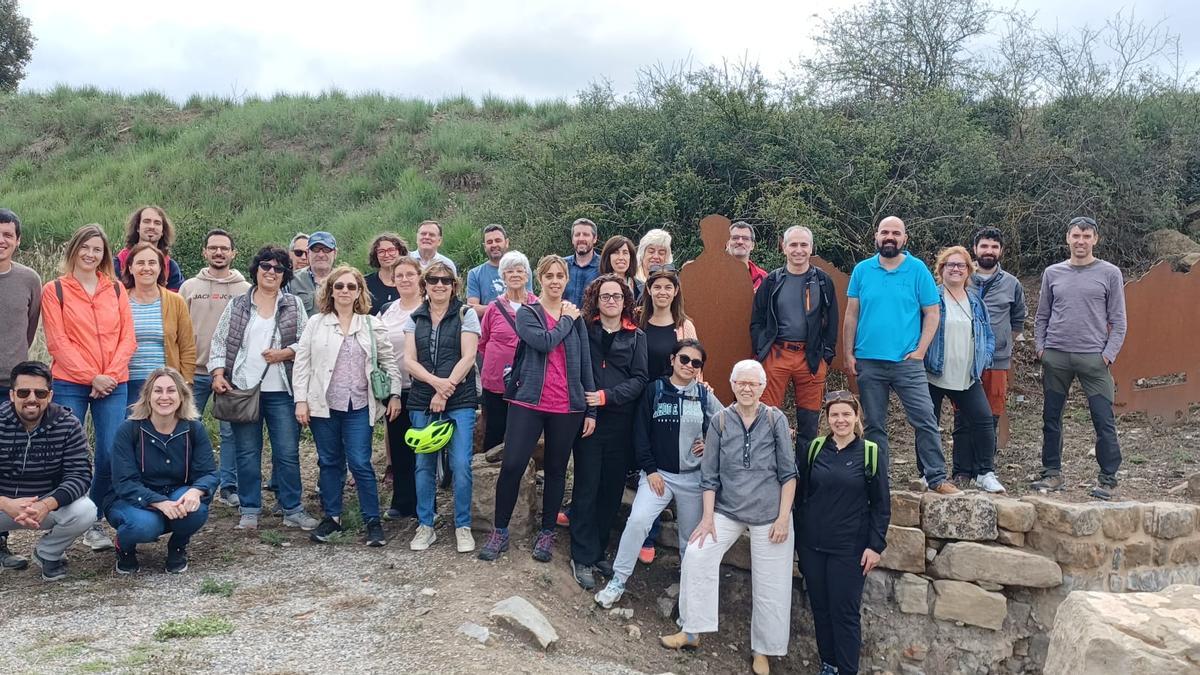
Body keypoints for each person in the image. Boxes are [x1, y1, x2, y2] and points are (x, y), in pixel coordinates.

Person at [663, 360, 796, 675]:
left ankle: (763, 650)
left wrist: (783, 518)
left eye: (753, 384)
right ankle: (692, 630)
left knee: (772, 582)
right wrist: (707, 518)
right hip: (728, 511)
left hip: (769, 514)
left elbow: (789, 474)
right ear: (733, 385)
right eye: (741, 383)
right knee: (697, 554)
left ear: (762, 388)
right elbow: (709, 477)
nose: (747, 388)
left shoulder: (775, 419)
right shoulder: (720, 421)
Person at [478, 255, 596, 563]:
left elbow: (584, 363)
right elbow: (543, 342)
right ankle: (500, 531)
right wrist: (567, 320)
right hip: (528, 401)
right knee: (513, 465)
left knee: (557, 470)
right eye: (549, 276)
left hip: (567, 405)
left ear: (567, 280)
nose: (555, 281)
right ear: (539, 280)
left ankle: (547, 532)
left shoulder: (576, 317)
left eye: (560, 276)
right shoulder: (527, 313)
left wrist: (590, 409)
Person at [594, 339, 721, 608]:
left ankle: (690, 594)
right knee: (638, 521)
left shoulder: (703, 395)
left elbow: (727, 424)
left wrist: (710, 442)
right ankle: (618, 579)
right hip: (658, 474)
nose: (689, 366)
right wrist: (650, 470)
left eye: (696, 363)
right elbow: (640, 433)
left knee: (691, 538)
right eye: (684, 359)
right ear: (672, 359)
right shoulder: (655, 390)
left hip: (693, 478)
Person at [844, 217, 961, 495]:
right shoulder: (862, 271)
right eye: (885, 232)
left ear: (904, 239)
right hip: (868, 361)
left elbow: (932, 313)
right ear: (876, 236)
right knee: (874, 425)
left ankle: (937, 478)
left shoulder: (917, 269)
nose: (890, 237)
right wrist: (847, 353)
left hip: (907, 363)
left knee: (925, 420)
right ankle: (877, 480)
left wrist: (920, 350)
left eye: (896, 233)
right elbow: (851, 314)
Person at [208, 245, 319, 531]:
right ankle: (250, 509)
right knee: (246, 453)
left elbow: (307, 343)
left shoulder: (293, 304)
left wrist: (285, 353)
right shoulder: (238, 305)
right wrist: (218, 373)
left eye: (279, 268)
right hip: (244, 389)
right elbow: (220, 341)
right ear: (256, 270)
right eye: (266, 266)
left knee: (287, 452)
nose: (271, 272)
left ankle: (292, 508)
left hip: (282, 390)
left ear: (285, 275)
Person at [41, 223, 136, 552]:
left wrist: (108, 374)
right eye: (85, 247)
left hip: (113, 382)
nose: (90, 254)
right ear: (74, 249)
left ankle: (93, 519)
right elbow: (57, 342)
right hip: (69, 381)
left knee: (110, 452)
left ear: (105, 255)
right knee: (67, 455)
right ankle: (62, 520)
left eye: (97, 249)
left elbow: (128, 339)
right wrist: (90, 376)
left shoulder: (117, 290)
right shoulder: (55, 290)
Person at [294, 266, 404, 547]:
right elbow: (302, 364)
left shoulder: (370, 324)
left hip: (358, 403)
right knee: (329, 462)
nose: (345, 291)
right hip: (325, 404)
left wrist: (393, 395)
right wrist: (301, 401)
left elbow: (388, 362)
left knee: (360, 462)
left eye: (351, 287)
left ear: (359, 292)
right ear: (330, 290)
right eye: (339, 286)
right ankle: (332, 518)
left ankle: (372, 520)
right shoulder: (316, 323)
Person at [1032, 217, 1127, 500]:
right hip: (1056, 356)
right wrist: (1041, 349)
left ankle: (1108, 479)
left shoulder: (1109, 273)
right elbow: (1042, 316)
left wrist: (1107, 356)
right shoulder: (1053, 273)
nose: (1081, 241)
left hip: (1093, 359)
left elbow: (1119, 321)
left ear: (1095, 239)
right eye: (1076, 236)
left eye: (1086, 236)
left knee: (1103, 419)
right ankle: (1052, 474)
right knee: (1051, 418)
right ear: (1068, 238)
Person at [797, 391, 890, 675]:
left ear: (856, 417)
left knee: (845, 614)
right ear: (827, 418)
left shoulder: (870, 452)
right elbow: (801, 497)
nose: (841, 420)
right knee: (821, 610)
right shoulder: (813, 449)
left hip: (849, 549)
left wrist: (875, 546)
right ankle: (829, 665)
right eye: (834, 414)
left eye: (846, 414)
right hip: (812, 546)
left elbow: (882, 505)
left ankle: (847, 670)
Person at [569, 274, 648, 590]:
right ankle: (582, 556)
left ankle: (598, 549)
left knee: (612, 490)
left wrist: (607, 396)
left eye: (617, 296)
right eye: (605, 296)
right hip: (589, 422)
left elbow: (640, 379)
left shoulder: (636, 336)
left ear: (625, 300)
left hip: (620, 422)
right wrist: (591, 401)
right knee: (587, 486)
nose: (611, 301)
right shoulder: (584, 331)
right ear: (596, 299)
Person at [105, 368, 218, 574]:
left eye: (171, 391)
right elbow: (124, 483)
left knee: (196, 509)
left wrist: (195, 491)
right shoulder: (128, 429)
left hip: (175, 495)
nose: (164, 397)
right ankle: (125, 548)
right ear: (147, 396)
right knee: (145, 526)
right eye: (157, 391)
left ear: (182, 396)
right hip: (132, 499)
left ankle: (177, 546)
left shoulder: (193, 428)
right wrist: (160, 503)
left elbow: (209, 473)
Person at [403, 262, 479, 553]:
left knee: (461, 464)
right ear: (425, 284)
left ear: (453, 285)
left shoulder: (466, 314)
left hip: (459, 399)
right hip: (423, 398)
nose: (439, 285)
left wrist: (446, 389)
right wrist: (437, 385)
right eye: (433, 279)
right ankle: (425, 525)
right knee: (423, 465)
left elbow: (468, 356)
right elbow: (409, 360)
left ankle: (462, 525)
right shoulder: (415, 318)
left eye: (445, 280)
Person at [0, 361, 96, 581]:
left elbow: (80, 474)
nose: (32, 399)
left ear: (50, 395)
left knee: (86, 510)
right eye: (24, 392)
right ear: (12, 395)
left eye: (40, 393)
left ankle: (47, 553)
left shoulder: (68, 423)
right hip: (3, 505)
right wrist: (5, 503)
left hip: (44, 506)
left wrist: (46, 504)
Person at [751, 225, 839, 455]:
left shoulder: (822, 281)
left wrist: (826, 357)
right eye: (793, 245)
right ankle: (770, 476)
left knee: (809, 424)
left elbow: (832, 321)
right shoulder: (772, 281)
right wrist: (763, 350)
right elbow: (757, 319)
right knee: (767, 419)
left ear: (811, 248)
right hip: (777, 354)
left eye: (803, 245)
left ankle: (804, 482)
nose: (798, 250)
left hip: (810, 357)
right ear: (783, 247)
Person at [180, 229, 250, 508]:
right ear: (204, 252)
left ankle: (228, 486)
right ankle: (191, 483)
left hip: (230, 374)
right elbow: (178, 330)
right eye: (213, 248)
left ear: (233, 253)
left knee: (231, 432)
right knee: (187, 429)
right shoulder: (189, 287)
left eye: (224, 248)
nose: (218, 252)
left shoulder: (245, 290)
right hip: (193, 372)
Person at [923, 247, 1001, 492]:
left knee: (983, 420)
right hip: (933, 373)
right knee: (928, 423)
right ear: (941, 269)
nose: (955, 269)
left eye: (961, 265)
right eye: (950, 265)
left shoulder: (975, 300)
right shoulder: (930, 297)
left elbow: (988, 334)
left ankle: (985, 472)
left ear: (969, 270)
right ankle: (927, 473)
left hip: (967, 376)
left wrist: (985, 358)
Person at [634, 263, 698, 562]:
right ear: (648, 289)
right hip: (636, 396)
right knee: (639, 463)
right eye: (656, 286)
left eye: (667, 287)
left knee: (659, 462)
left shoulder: (685, 325)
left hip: (669, 402)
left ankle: (650, 535)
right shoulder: (637, 320)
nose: (662, 292)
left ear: (676, 291)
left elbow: (692, 365)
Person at [953, 227, 1027, 457]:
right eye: (984, 246)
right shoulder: (961, 279)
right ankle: (961, 469)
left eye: (994, 247)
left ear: (1001, 251)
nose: (989, 251)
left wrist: (1001, 343)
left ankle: (984, 467)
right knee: (962, 415)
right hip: (964, 360)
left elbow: (1017, 321)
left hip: (997, 360)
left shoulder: (1012, 284)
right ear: (974, 249)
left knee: (991, 414)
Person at [0, 208, 43, 571]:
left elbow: (29, 330)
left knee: (7, 464)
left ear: (17, 240)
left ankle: (1, 543)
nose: (1, 240)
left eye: (7, 235)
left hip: (12, 389)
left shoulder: (29, 279)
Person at [119, 242, 197, 405]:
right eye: (140, 263)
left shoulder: (176, 302)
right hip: (126, 384)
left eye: (152, 263)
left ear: (161, 268)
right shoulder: (118, 299)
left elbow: (187, 346)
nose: (146, 268)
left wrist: (186, 383)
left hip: (165, 384)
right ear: (130, 268)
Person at [478, 251, 537, 452]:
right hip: (496, 379)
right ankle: (489, 473)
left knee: (524, 428)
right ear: (502, 276)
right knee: (495, 426)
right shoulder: (494, 308)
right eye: (509, 271)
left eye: (519, 270)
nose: (514, 275)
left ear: (527, 275)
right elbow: (483, 341)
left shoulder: (537, 306)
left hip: (528, 378)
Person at [379, 257, 424, 520]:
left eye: (410, 274)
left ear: (420, 277)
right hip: (395, 389)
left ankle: (424, 504)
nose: (405, 280)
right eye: (400, 276)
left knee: (423, 448)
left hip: (423, 388)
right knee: (398, 445)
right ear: (393, 280)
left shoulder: (429, 308)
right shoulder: (387, 309)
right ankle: (402, 500)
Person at [113, 206, 185, 291]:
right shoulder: (118, 262)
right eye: (146, 222)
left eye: (157, 223)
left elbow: (175, 301)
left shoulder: (171, 267)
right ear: (137, 227)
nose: (152, 226)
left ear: (162, 231)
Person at [467, 224, 529, 317]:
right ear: (484, 246)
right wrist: (508, 307)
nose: (494, 245)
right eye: (489, 242)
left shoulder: (522, 270)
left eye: (498, 240)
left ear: (506, 242)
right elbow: (473, 310)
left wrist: (489, 308)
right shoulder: (475, 274)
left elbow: (529, 305)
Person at [288, 230, 338, 316]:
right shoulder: (291, 280)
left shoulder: (345, 282)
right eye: (316, 249)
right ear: (308, 253)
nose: (321, 254)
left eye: (326, 249)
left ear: (335, 253)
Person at [363, 233, 409, 315]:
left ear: (400, 252)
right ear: (375, 255)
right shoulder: (364, 283)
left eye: (391, 250)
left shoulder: (410, 283)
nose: (386, 255)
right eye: (381, 251)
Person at [563, 217, 600, 307]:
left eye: (586, 235)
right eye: (577, 235)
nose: (581, 238)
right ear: (572, 239)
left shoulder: (604, 266)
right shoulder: (562, 265)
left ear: (594, 239)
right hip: (564, 320)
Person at [727, 221, 768, 290]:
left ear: (752, 245)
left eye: (745, 238)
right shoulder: (712, 274)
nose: (740, 242)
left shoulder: (763, 279)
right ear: (727, 244)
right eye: (735, 238)